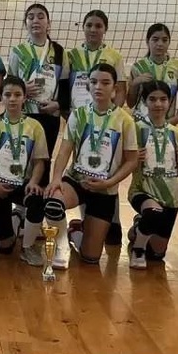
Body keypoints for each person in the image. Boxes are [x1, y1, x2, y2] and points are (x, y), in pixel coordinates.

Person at [44, 63, 137, 267]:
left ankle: (76, 231)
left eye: (105, 83)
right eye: (94, 82)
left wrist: (109, 182)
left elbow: (132, 160)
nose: (98, 87)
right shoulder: (79, 114)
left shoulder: (125, 121)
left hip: (105, 189)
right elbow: (64, 151)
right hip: (76, 181)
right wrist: (56, 178)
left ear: (114, 88)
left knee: (90, 258)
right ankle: (61, 245)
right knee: (52, 202)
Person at [125, 80, 178, 269]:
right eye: (152, 99)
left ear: (169, 102)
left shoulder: (177, 134)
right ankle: (138, 250)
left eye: (163, 99)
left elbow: (176, 170)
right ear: (145, 102)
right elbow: (124, 162)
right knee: (153, 212)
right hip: (142, 190)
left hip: (170, 196)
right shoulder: (135, 129)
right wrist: (133, 159)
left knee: (157, 255)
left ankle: (139, 227)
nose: (158, 104)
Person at [0, 77, 50, 257]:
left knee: (37, 199)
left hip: (24, 183)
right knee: (4, 249)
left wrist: (34, 182)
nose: (12, 99)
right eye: (8, 94)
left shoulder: (35, 126)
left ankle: (28, 247)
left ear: (25, 97)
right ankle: (16, 219)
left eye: (17, 94)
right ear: (1, 98)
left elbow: (39, 161)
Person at [8, 3, 70, 156]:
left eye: (41, 17)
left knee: (45, 160)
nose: (35, 20)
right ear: (25, 24)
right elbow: (9, 84)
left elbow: (64, 85)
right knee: (21, 158)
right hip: (24, 113)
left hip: (49, 114)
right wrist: (22, 89)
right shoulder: (18, 51)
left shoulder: (59, 51)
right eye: (31, 17)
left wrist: (57, 105)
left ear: (48, 24)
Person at [67, 9, 126, 110]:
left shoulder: (115, 56)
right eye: (89, 25)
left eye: (98, 26)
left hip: (104, 113)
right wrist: (66, 112)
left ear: (105, 29)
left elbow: (120, 90)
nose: (93, 30)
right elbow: (64, 87)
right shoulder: (71, 55)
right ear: (83, 27)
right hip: (76, 113)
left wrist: (113, 113)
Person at [127, 23, 178, 124]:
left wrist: (177, 117)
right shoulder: (138, 67)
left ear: (169, 42)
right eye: (155, 39)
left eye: (164, 40)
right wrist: (135, 83)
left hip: (167, 123)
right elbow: (130, 104)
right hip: (141, 123)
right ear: (147, 41)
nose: (160, 44)